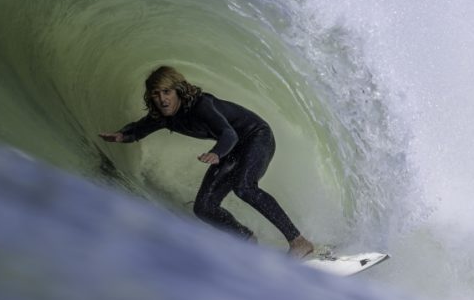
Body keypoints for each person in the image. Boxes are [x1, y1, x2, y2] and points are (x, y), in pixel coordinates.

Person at [99, 65, 314, 258]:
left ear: (178, 91)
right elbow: (139, 128)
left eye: (167, 92)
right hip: (233, 148)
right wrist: (121, 136)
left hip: (256, 136)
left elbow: (228, 134)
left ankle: (299, 242)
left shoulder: (201, 105)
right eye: (156, 94)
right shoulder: (164, 116)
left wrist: (217, 153)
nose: (162, 99)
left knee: (244, 187)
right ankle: (246, 239)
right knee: (204, 207)